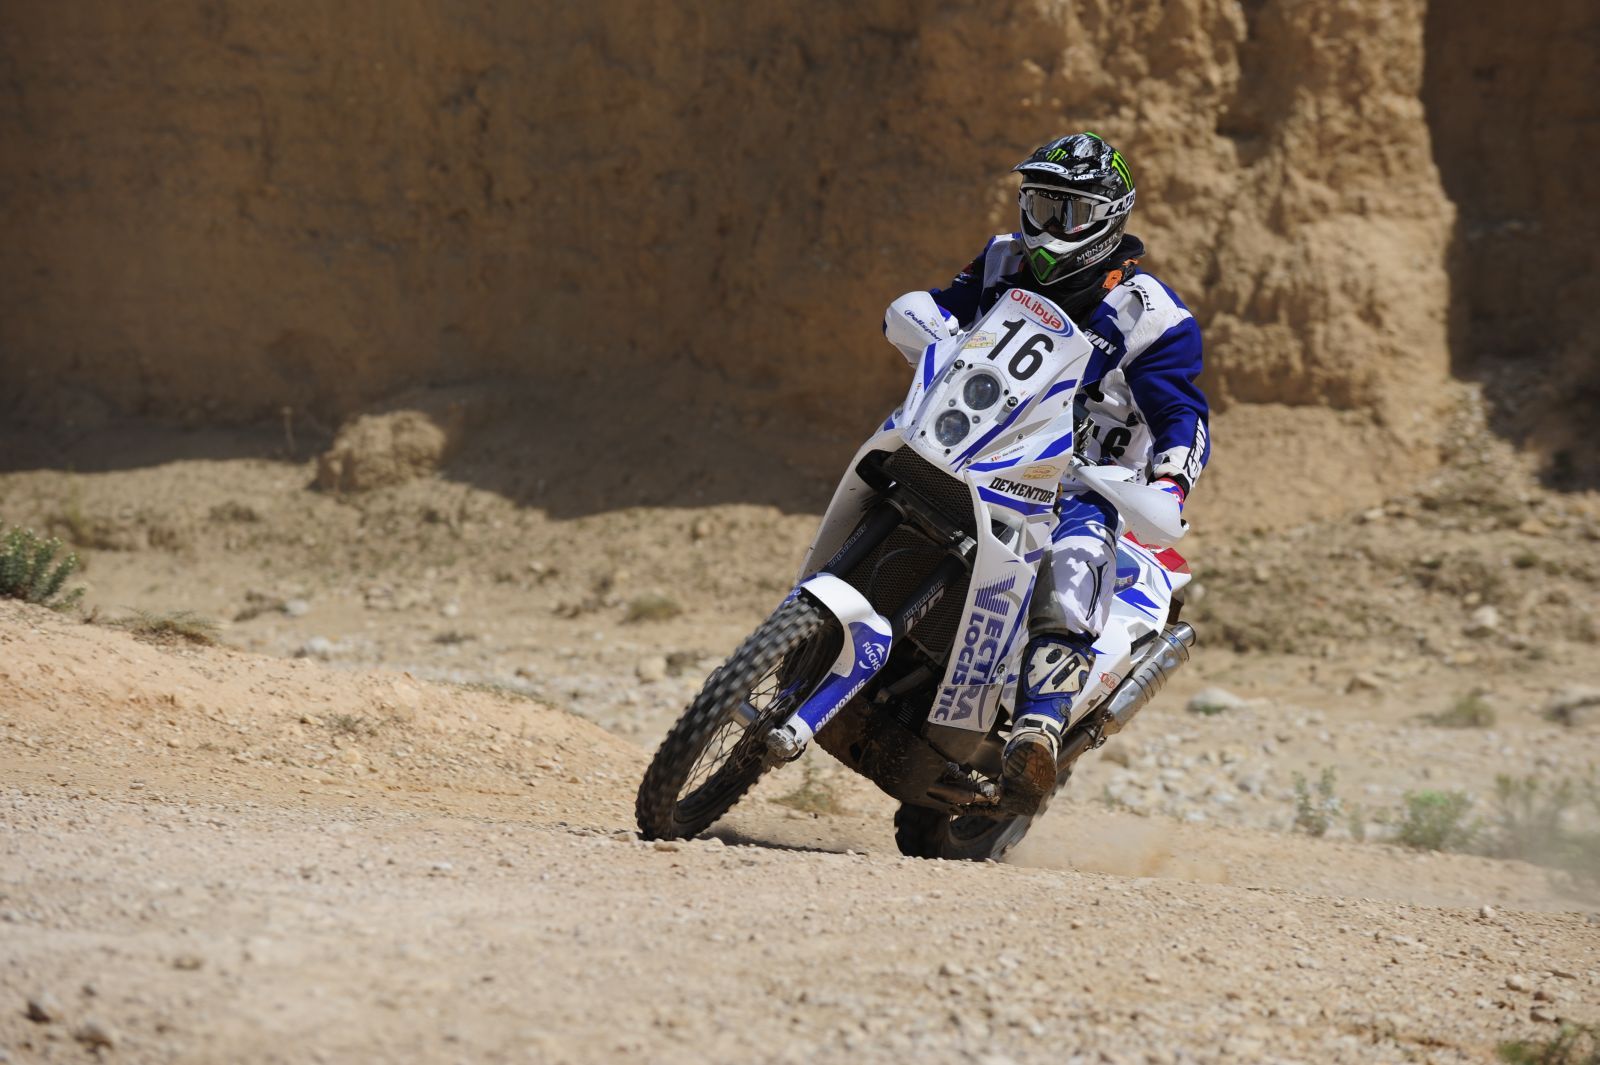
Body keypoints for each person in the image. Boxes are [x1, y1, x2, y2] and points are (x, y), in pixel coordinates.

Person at [881, 132, 1211, 813]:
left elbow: (1183, 413)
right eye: (1039, 203)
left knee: (1075, 552)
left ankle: (1038, 725)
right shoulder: (1003, 260)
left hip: (1084, 475)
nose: (1048, 225)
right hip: (982, 441)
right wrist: (924, 319)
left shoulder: (1151, 315)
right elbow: (947, 308)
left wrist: (1169, 484)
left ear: (1109, 219)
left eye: (1070, 212)